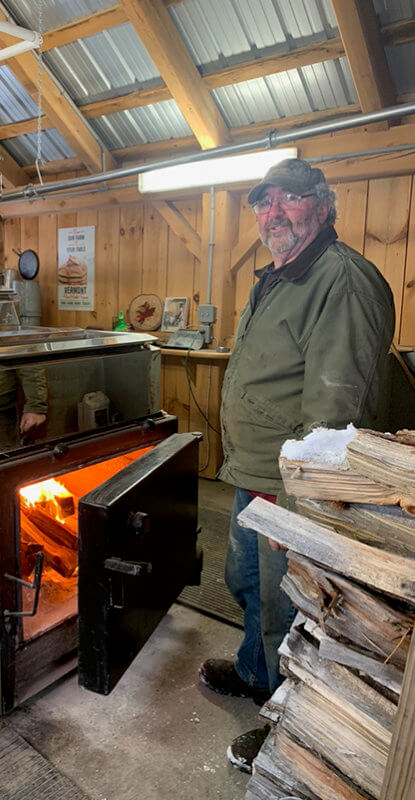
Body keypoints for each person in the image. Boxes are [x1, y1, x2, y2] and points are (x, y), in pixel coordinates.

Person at [199, 158, 395, 772]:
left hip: (293, 485)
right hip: (254, 473)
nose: (273, 213)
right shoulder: (280, 275)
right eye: (263, 203)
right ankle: (259, 676)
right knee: (248, 586)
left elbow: (337, 412)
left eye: (288, 200)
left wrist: (301, 501)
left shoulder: (342, 280)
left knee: (294, 607)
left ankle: (291, 721)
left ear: (321, 206)